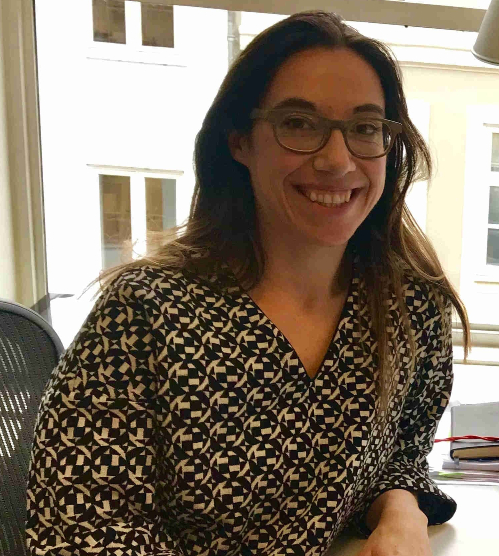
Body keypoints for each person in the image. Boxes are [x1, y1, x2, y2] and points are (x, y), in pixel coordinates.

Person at [24, 12, 467, 556]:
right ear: (239, 142)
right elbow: (81, 534)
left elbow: (401, 449)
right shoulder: (145, 314)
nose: (336, 158)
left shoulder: (408, 304)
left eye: (364, 127)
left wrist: (400, 508)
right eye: (298, 123)